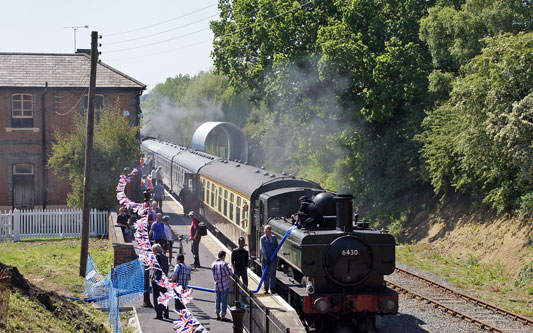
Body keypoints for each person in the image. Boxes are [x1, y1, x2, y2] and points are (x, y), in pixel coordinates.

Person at [211, 251, 232, 322]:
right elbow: (229, 273)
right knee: (224, 301)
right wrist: (229, 266)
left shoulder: (213, 264)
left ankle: (217, 314)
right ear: (223, 256)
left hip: (217, 285)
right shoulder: (224, 264)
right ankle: (223, 315)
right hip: (224, 285)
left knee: (217, 300)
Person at [151, 243, 169, 320]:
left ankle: (159, 314)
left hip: (157, 278)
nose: (152, 251)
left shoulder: (156, 256)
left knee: (156, 297)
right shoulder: (165, 257)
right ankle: (166, 313)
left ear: (156, 250)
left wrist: (152, 276)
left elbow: (156, 268)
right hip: (164, 279)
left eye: (153, 249)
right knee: (164, 296)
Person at [260, 224, 278, 294]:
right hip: (265, 259)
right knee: (265, 273)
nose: (265, 231)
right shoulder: (262, 238)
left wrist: (274, 257)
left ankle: (272, 288)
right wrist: (266, 258)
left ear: (270, 230)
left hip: (273, 258)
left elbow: (276, 247)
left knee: (273, 273)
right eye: (264, 230)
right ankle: (266, 288)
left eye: (266, 230)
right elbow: (262, 249)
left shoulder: (274, 238)